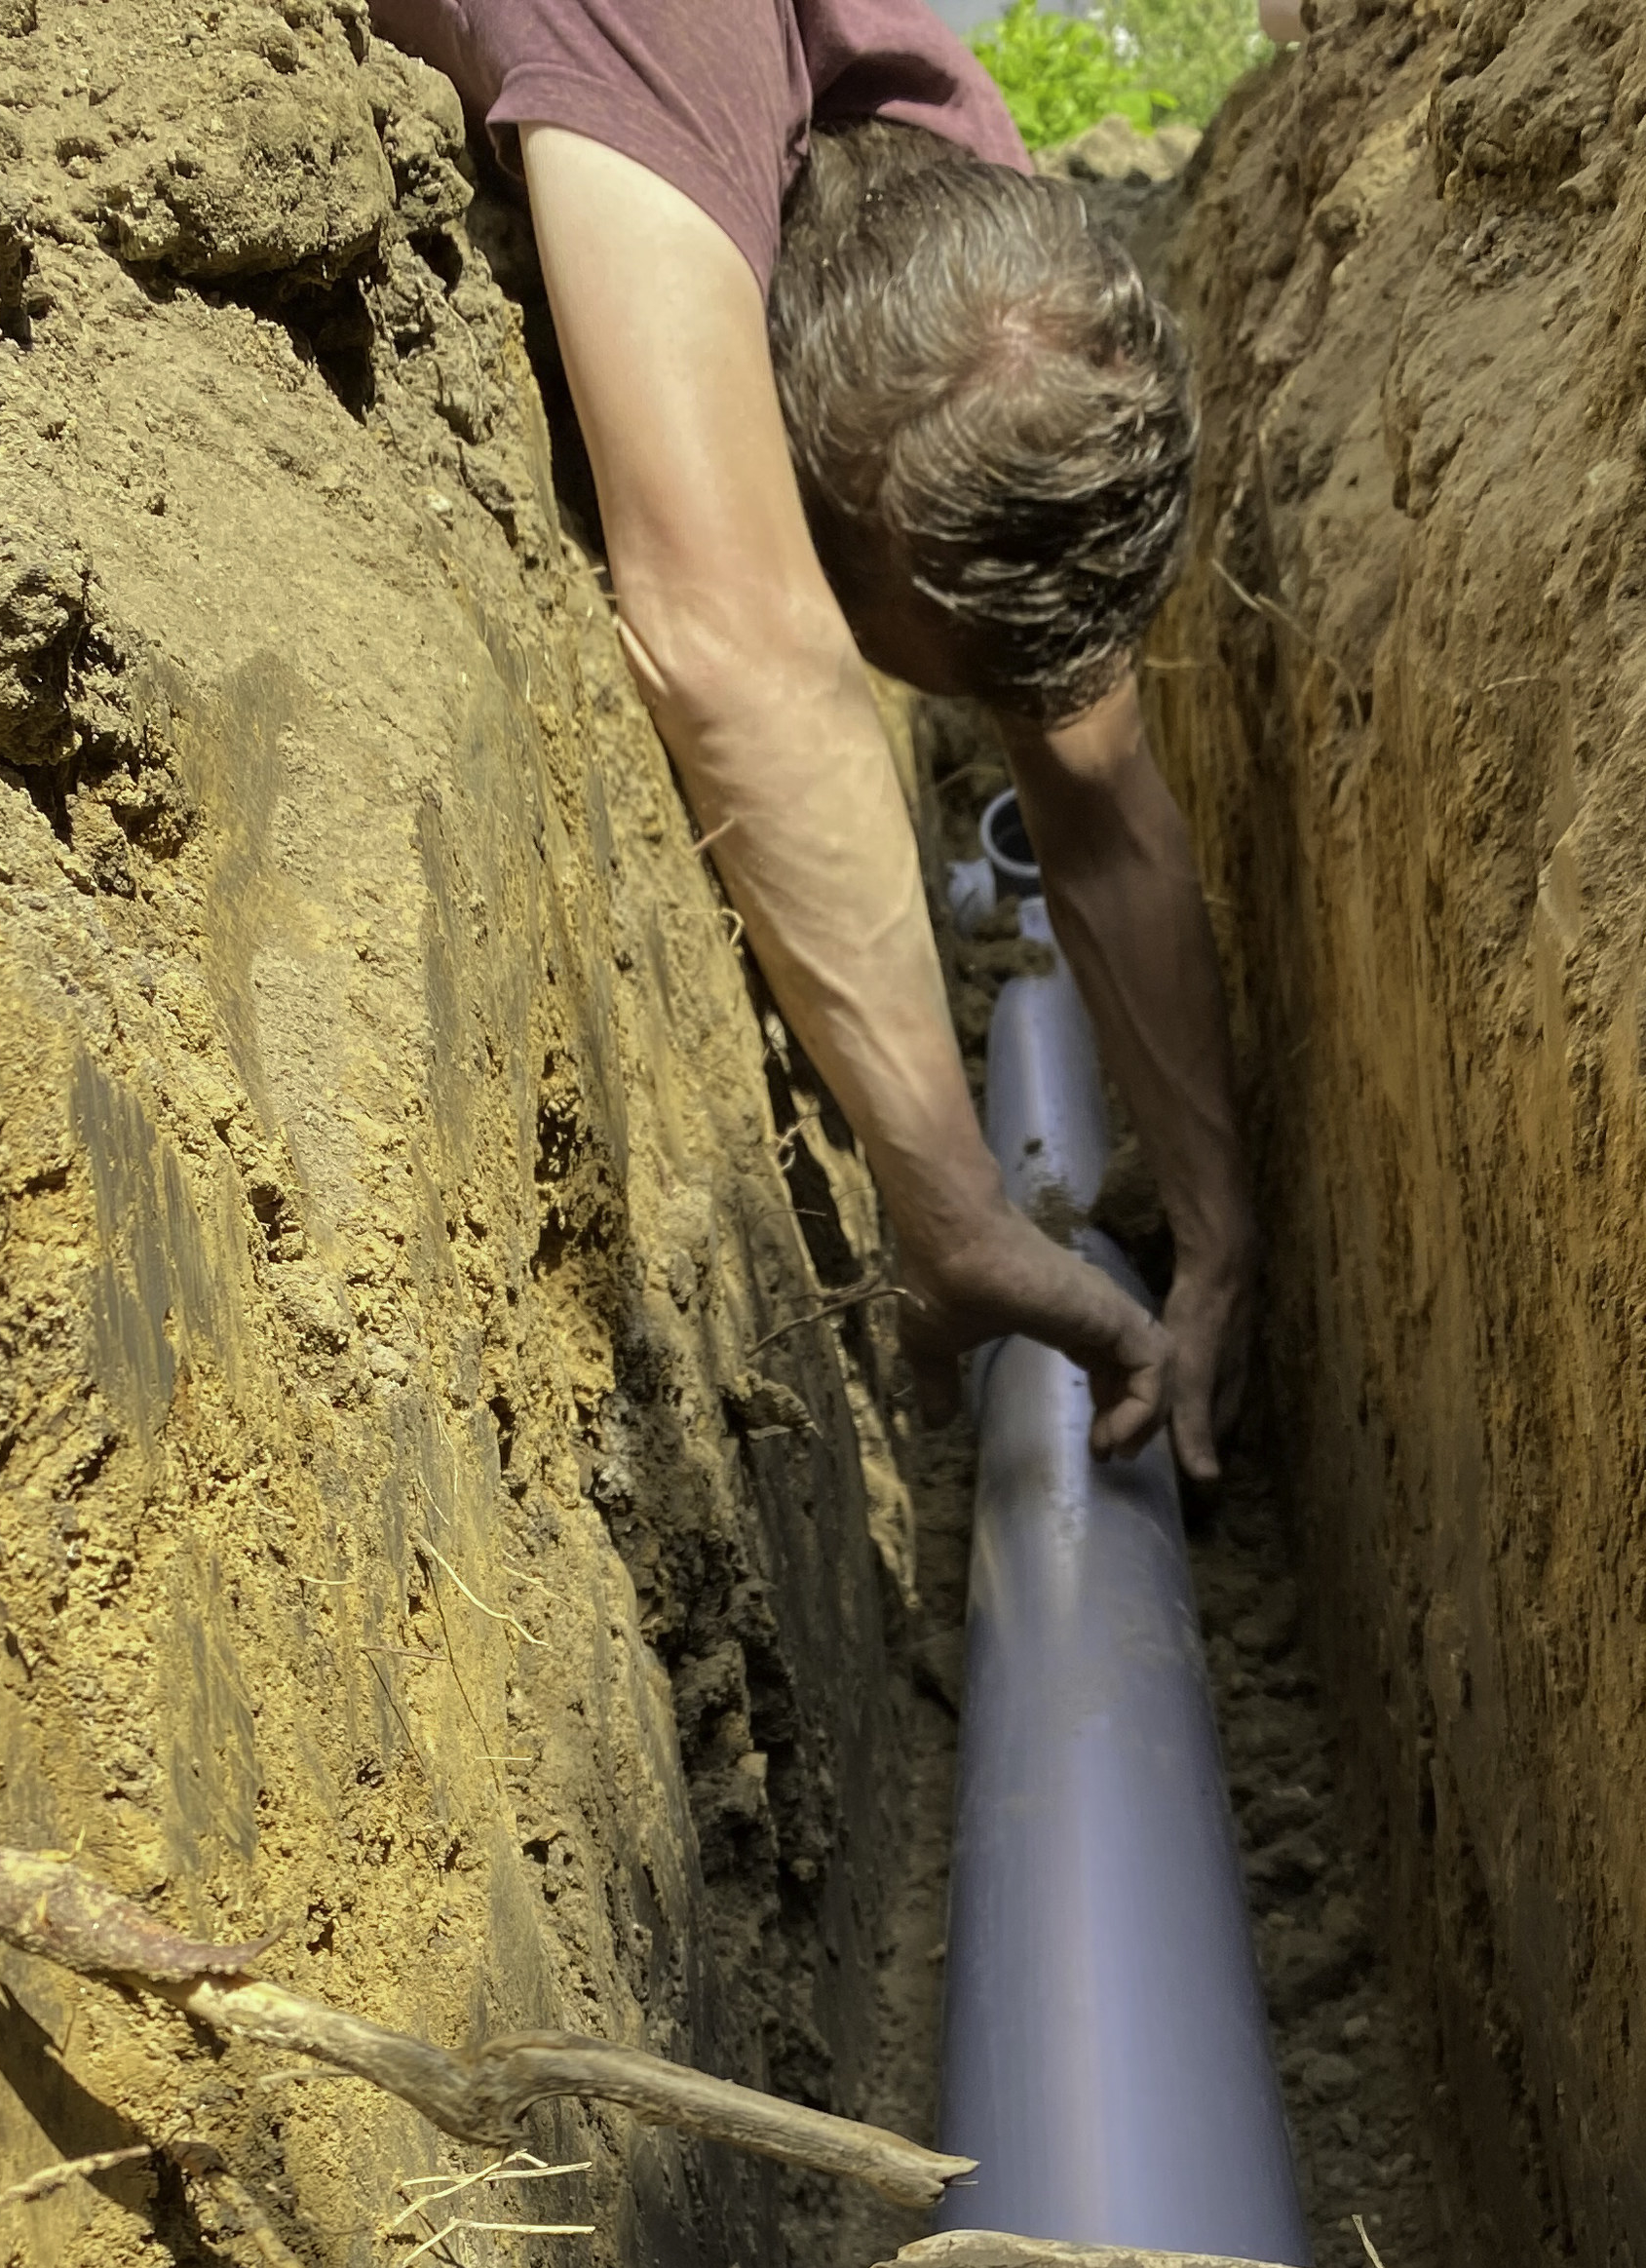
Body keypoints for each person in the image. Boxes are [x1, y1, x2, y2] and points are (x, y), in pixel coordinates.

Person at [370, 0, 1256, 1480]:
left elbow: (1096, 796)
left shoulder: (971, 220)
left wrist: (1219, 1236)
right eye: (903, 667)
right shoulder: (657, 43)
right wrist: (957, 1211)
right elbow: (736, 639)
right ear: (789, 466)